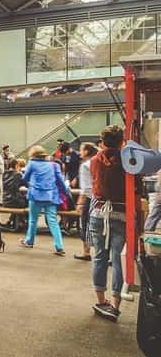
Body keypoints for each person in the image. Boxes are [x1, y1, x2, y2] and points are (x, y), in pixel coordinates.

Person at [89, 125, 128, 322]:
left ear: (102, 141)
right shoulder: (128, 160)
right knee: (118, 259)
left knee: (99, 257)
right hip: (121, 213)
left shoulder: (94, 160)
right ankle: (116, 303)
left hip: (99, 212)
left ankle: (100, 300)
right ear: (122, 141)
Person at [19, 145, 69, 256]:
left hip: (35, 195)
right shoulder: (54, 165)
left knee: (33, 220)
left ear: (32, 154)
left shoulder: (31, 164)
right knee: (53, 221)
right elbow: (61, 181)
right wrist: (65, 193)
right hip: (51, 196)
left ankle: (29, 241)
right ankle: (59, 246)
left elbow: (25, 178)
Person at [74, 142, 98, 262]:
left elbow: (85, 188)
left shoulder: (85, 166)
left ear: (87, 151)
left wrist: (79, 203)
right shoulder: (99, 161)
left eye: (81, 150)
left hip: (89, 199)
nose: (80, 152)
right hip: (101, 198)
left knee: (85, 225)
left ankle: (86, 252)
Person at [3, 158, 27, 230]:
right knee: (26, 202)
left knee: (20, 200)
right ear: (16, 165)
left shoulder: (4, 174)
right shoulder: (17, 175)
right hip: (13, 200)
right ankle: (23, 221)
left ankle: (12, 221)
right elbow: (27, 185)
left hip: (4, 200)